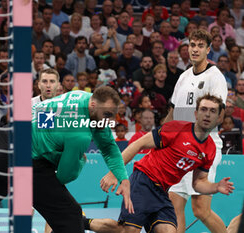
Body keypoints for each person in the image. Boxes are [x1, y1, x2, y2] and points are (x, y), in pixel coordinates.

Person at [84, 94, 234, 233]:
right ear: (196, 114)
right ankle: (82, 222)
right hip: (143, 181)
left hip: (162, 192)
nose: (207, 114)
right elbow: (138, 144)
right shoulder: (177, 129)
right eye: (203, 109)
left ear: (219, 117)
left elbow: (198, 183)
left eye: (213, 111)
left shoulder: (210, 149)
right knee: (127, 230)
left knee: (168, 231)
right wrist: (114, 172)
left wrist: (215, 187)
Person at [32, 86, 132, 232]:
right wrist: (81, 162)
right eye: (107, 114)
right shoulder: (79, 132)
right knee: (70, 214)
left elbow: (109, 147)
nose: (110, 121)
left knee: (66, 213)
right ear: (93, 105)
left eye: (113, 115)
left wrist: (123, 178)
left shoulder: (87, 100)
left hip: (22, 140)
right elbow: (63, 177)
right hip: (25, 158)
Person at [163, 29, 228, 233]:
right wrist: (160, 139)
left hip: (203, 146)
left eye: (200, 45)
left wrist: (196, 137)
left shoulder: (215, 77)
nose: (195, 49)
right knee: (174, 204)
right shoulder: (182, 77)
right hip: (179, 148)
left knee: (200, 209)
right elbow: (172, 114)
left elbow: (219, 115)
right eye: (192, 45)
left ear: (208, 49)